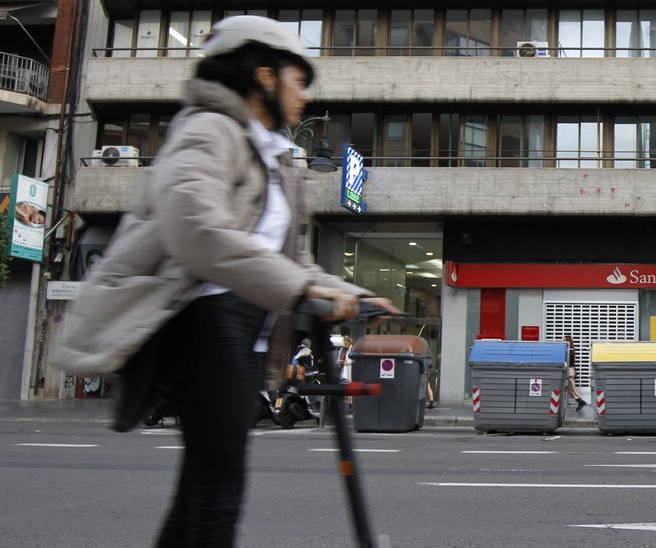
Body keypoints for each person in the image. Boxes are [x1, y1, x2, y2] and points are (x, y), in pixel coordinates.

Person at [51, 16, 398, 547]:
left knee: (199, 495)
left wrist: (350, 293)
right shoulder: (208, 129)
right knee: (218, 497)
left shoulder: (274, 157)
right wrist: (300, 292)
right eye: (297, 80)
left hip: (241, 325)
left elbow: (293, 259)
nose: (304, 95)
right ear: (264, 75)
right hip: (203, 319)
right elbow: (195, 226)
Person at [564, 335, 588, 410]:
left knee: (572, 387)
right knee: (570, 388)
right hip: (571, 370)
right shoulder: (570, 349)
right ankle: (579, 400)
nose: (563, 341)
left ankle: (580, 400)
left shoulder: (569, 350)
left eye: (564, 340)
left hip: (570, 370)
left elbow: (568, 361)